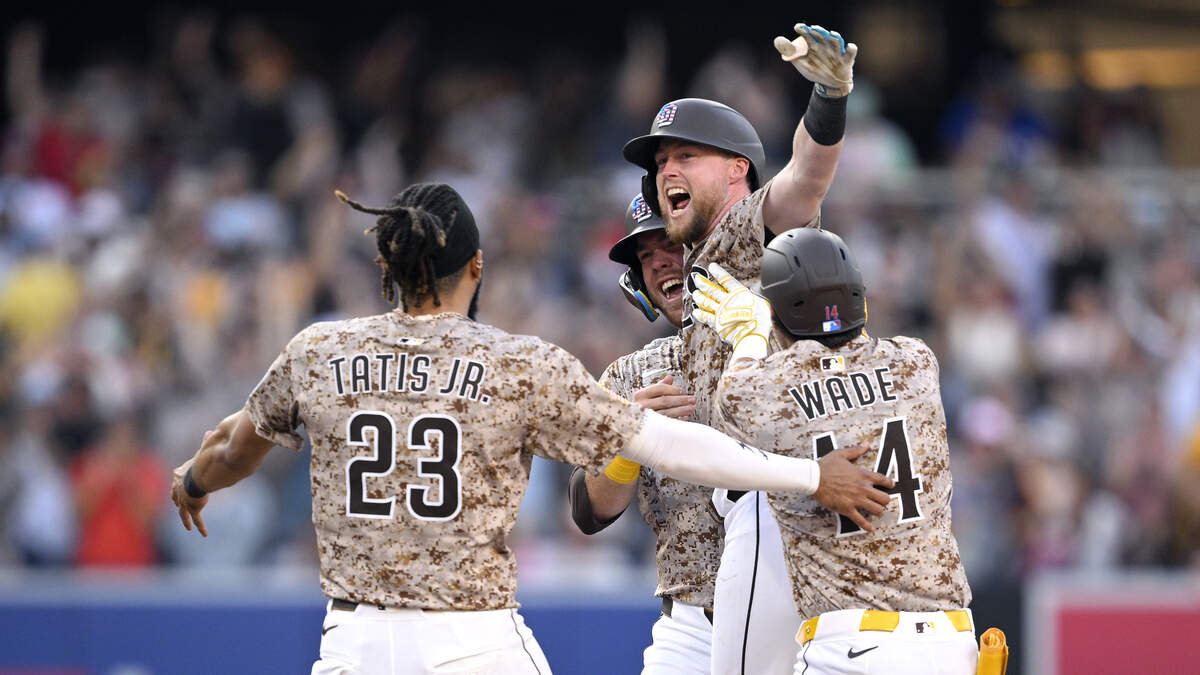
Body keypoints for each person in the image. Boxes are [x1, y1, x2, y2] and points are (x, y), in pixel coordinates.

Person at [168, 182, 891, 675]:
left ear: (387, 264)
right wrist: (808, 475)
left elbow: (232, 447)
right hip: (470, 643)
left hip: (352, 643)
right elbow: (669, 444)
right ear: (476, 265)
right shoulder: (516, 364)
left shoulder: (320, 351)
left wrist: (194, 481)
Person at [619, 21, 860, 674]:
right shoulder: (693, 272)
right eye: (659, 163)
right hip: (729, 552)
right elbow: (589, 509)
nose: (666, 170)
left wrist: (828, 100)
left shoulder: (752, 230)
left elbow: (806, 178)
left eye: (684, 156)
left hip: (781, 507)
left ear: (737, 170)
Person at [690, 228, 976, 674]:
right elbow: (851, 358)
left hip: (854, 646)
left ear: (775, 314)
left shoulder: (766, 392)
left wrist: (749, 333)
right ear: (860, 299)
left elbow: (735, 393)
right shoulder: (917, 362)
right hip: (952, 643)